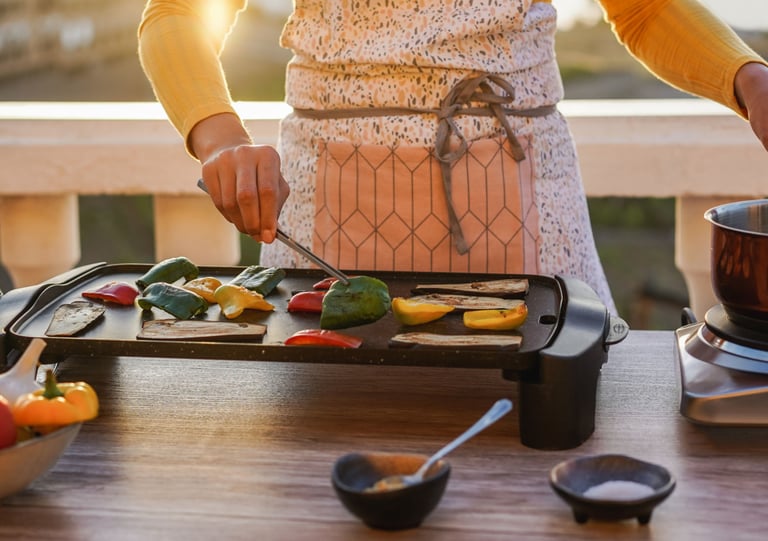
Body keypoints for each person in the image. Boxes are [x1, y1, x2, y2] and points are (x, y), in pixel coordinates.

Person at [138, 0, 768, 313]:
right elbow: (177, 12)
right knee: (319, 435)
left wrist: (749, 79)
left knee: (542, 433)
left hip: (527, 197)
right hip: (322, 206)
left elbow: (646, 8)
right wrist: (218, 136)